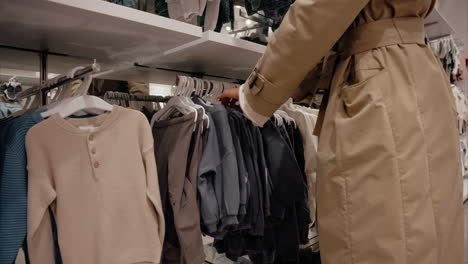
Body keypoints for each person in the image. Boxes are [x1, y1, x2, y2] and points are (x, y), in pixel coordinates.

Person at [218, 0, 464, 263]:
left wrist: (256, 95)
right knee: (428, 228)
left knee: (379, 239)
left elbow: (317, 13)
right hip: (417, 74)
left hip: (378, 86)